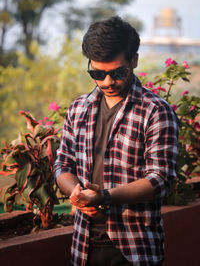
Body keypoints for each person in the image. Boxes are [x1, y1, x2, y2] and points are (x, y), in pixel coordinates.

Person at [54, 16, 179, 266]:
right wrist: (76, 193)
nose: (107, 82)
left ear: (134, 60)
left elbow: (161, 179)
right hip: (83, 246)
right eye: (97, 73)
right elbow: (63, 165)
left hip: (134, 249)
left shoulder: (155, 111)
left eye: (117, 73)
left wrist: (105, 197)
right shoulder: (78, 108)